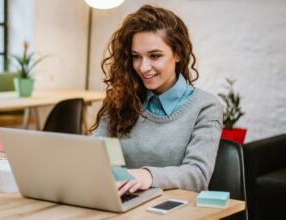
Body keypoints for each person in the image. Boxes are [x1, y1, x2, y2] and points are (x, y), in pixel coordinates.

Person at [89, 4, 223, 196]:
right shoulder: (122, 98)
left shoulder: (206, 107)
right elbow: (99, 151)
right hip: (126, 206)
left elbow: (198, 174)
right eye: (136, 57)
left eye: (155, 56)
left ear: (177, 53)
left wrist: (146, 176)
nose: (143, 67)